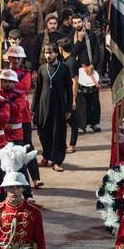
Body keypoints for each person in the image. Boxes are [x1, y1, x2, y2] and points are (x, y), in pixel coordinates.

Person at [32, 43, 73, 171]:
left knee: (58, 134)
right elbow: (37, 90)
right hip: (43, 107)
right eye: (46, 53)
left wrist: (69, 108)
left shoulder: (64, 69)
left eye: (50, 53)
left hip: (59, 107)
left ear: (56, 53)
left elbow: (69, 90)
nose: (48, 55)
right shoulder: (42, 69)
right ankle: (46, 156)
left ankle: (57, 161)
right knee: (43, 132)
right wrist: (33, 108)